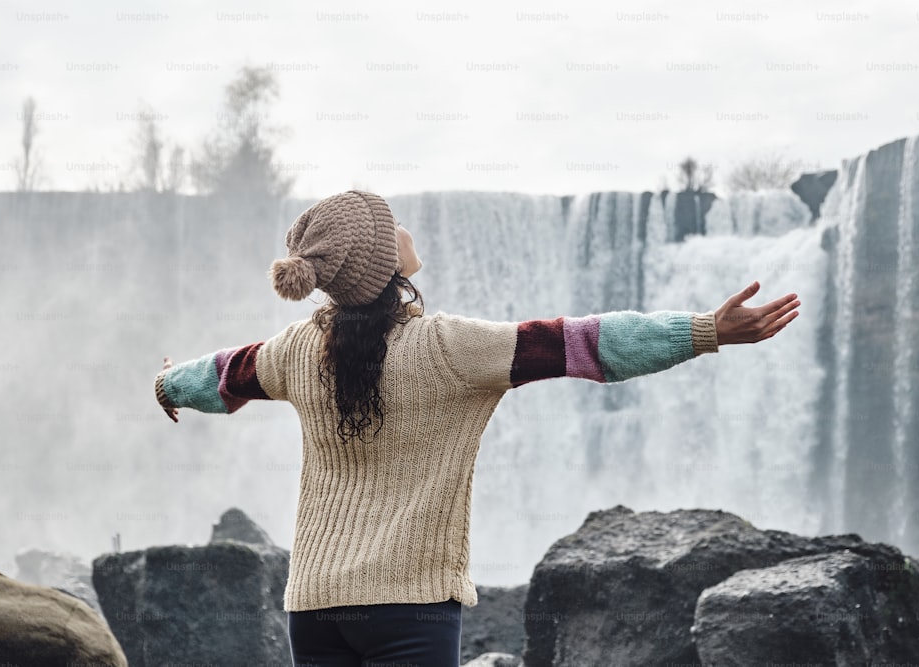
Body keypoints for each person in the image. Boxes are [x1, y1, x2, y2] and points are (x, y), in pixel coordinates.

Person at [154, 190, 799, 667]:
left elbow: (222, 374)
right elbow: (587, 345)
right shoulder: (449, 347)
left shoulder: (296, 350)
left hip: (315, 606)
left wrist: (167, 384)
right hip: (409, 607)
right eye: (391, 225)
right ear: (384, 262)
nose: (405, 228)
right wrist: (705, 331)